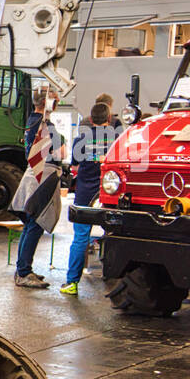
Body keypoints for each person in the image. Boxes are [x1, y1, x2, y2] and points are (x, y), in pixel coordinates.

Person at [62, 101, 119, 296]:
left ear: (91, 119)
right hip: (110, 196)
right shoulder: (117, 138)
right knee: (115, 235)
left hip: (85, 195)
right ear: (109, 119)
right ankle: (115, 280)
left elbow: (75, 164)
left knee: (80, 238)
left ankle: (72, 283)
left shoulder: (82, 139)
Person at [11, 88, 62, 289]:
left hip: (36, 176)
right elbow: (59, 152)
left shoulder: (33, 121)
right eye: (56, 101)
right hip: (42, 178)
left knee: (31, 225)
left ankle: (23, 269)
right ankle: (23, 273)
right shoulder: (44, 124)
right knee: (35, 225)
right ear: (49, 103)